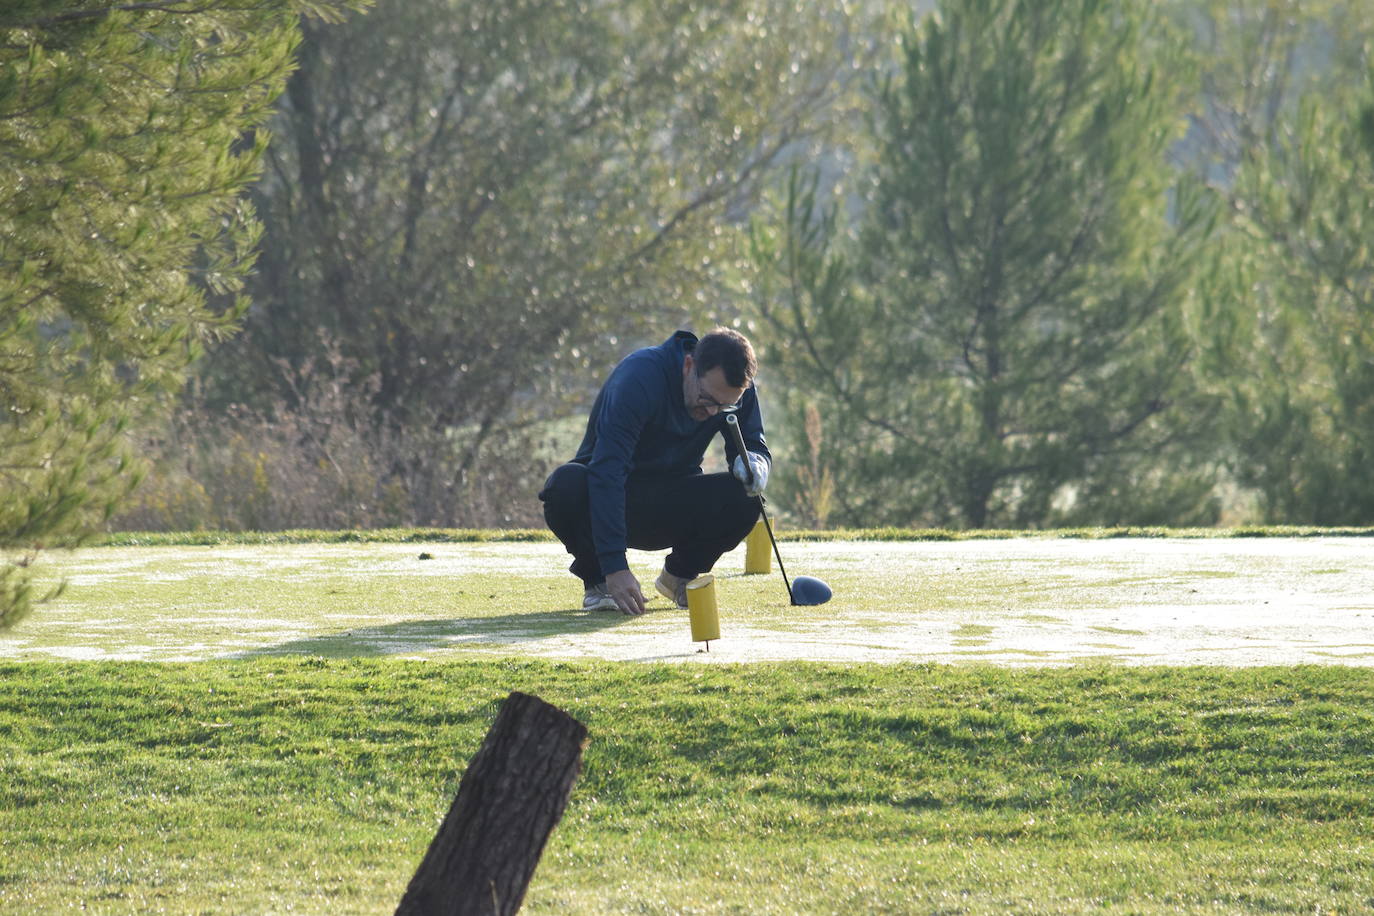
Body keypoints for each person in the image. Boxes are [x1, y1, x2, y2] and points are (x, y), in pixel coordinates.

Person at [539, 327, 771, 615]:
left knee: (747, 497)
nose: (714, 412)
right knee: (565, 486)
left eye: (725, 406)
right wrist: (614, 567)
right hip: (608, 501)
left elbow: (752, 444)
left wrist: (754, 463)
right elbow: (607, 472)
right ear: (689, 366)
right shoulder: (639, 378)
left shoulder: (735, 392)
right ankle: (598, 581)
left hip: (672, 500)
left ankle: (679, 576)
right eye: (708, 399)